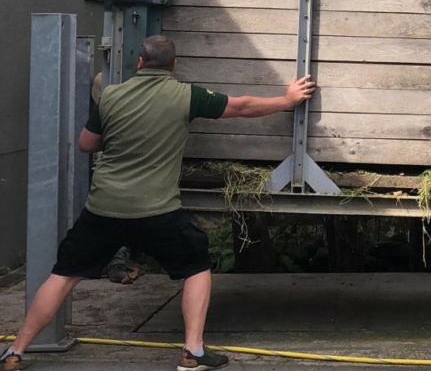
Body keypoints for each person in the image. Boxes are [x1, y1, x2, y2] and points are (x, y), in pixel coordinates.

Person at [1, 35, 317, 371]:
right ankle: (192, 352)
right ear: (174, 65)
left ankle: (16, 351)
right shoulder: (187, 96)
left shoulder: (112, 95)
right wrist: (286, 99)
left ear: (139, 62)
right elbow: (240, 106)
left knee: (63, 275)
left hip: (104, 208)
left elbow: (85, 143)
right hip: (157, 211)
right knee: (196, 267)